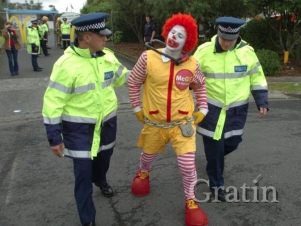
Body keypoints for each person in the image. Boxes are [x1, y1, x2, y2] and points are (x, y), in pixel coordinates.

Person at [42, 12, 130, 226]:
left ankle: (100, 180)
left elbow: (124, 78)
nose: (106, 39)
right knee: (82, 174)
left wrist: (152, 67)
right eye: (102, 35)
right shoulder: (66, 65)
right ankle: (87, 220)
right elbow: (53, 102)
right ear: (87, 37)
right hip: (78, 131)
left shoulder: (108, 56)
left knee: (103, 161)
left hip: (107, 125)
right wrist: (54, 137)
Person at [128, 13, 209, 226]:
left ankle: (191, 201)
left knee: (187, 165)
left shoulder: (192, 64)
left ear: (187, 41)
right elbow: (133, 82)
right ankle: (143, 172)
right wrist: (136, 107)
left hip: (182, 126)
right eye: (173, 32)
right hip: (155, 123)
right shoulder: (148, 58)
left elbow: (200, 86)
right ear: (166, 32)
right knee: (148, 156)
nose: (174, 37)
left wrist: (204, 109)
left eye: (180, 35)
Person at [193, 17, 269, 202]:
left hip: (236, 112)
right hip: (210, 111)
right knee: (215, 147)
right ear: (218, 34)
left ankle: (214, 161)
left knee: (233, 142)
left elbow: (257, 77)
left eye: (231, 40)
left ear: (237, 37)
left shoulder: (247, 52)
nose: (227, 43)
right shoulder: (204, 51)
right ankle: (217, 185)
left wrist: (262, 101)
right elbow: (190, 75)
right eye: (224, 39)